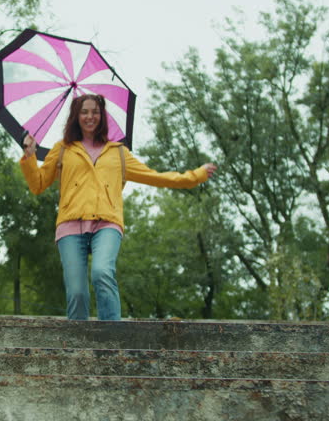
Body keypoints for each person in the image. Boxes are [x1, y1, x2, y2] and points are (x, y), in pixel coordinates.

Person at [19, 93, 217, 321]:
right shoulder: (63, 149)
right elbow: (38, 184)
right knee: (77, 293)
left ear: (102, 116)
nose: (90, 116)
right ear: (76, 116)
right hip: (70, 224)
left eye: (95, 111)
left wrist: (196, 176)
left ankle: (112, 341)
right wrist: (30, 156)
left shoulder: (118, 153)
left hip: (107, 223)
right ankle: (78, 347)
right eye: (84, 111)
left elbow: (156, 177)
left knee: (102, 273)